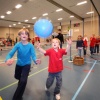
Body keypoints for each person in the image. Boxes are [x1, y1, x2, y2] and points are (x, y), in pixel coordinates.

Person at [5, 28, 40, 100]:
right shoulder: (17, 45)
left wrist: (36, 60)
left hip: (27, 64)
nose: (24, 35)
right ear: (19, 36)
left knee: (23, 81)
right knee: (17, 77)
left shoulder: (30, 46)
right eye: (22, 33)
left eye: (26, 34)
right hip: (19, 64)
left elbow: (33, 55)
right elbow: (10, 54)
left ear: (28, 36)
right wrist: (7, 60)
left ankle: (17, 97)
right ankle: (20, 79)